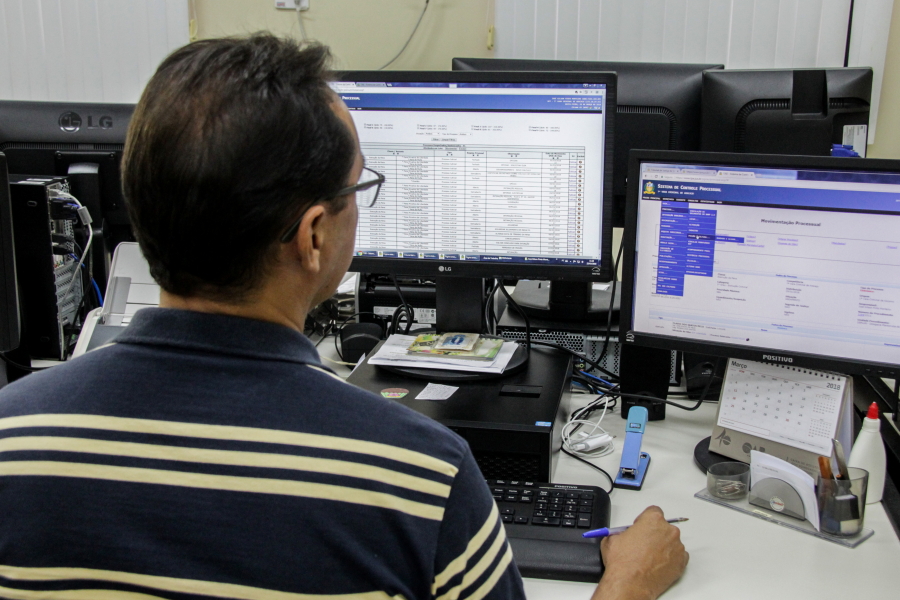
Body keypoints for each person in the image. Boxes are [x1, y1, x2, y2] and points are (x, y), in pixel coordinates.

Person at [0, 35, 687, 600]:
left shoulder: (11, 435)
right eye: (359, 187)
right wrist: (626, 584)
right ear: (314, 236)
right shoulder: (420, 474)